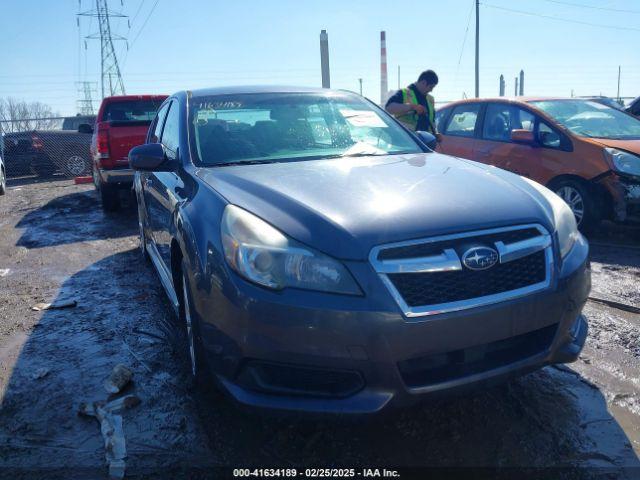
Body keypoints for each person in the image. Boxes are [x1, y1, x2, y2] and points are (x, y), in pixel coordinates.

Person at [385, 70, 439, 136]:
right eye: (431, 87)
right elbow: (389, 108)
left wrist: (435, 134)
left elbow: (431, 121)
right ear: (424, 82)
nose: (431, 90)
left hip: (425, 141)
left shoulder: (430, 99)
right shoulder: (404, 93)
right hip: (406, 140)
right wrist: (412, 107)